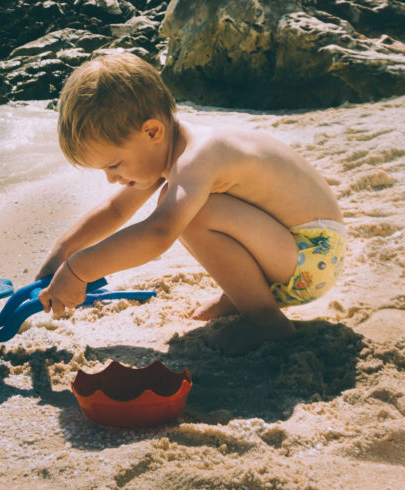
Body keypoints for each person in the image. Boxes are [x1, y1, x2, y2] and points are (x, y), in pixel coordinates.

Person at [36, 52, 346, 356]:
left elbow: (159, 234)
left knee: (191, 213)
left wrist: (80, 270)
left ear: (152, 131)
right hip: (289, 252)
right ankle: (242, 297)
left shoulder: (198, 157)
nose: (110, 178)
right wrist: (64, 250)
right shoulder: (166, 151)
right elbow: (116, 210)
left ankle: (266, 320)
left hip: (312, 254)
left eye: (114, 164)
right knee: (185, 204)